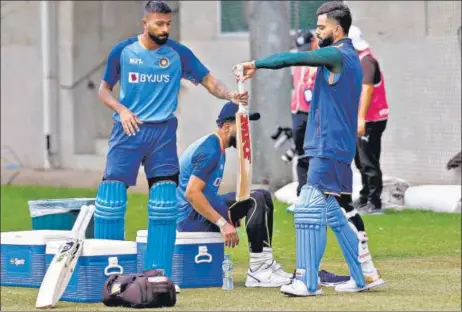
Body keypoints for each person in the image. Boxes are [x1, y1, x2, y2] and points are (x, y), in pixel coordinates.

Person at [233, 1, 384, 296]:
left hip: (327, 146)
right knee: (334, 213)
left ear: (336, 29)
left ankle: (307, 281)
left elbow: (292, 60)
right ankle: (364, 275)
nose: (317, 32)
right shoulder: (352, 57)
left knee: (307, 210)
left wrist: (256, 64)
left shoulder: (337, 53)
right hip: (337, 146)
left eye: (321, 27)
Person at [94, 0, 248, 282]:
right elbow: (104, 91)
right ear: (145, 23)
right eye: (159, 24)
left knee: (164, 204)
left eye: (168, 24)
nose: (165, 29)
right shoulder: (123, 51)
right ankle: (109, 276)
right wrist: (122, 109)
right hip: (128, 131)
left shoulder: (178, 54)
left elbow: (210, 82)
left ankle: (158, 277)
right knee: (111, 202)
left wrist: (231, 96)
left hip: (163, 134)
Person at [176, 102, 350, 288]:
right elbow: (192, 193)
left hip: (198, 211)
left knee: (263, 195)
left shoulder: (217, 146)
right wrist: (223, 223)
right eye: (241, 126)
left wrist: (230, 210)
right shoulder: (210, 150)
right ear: (227, 127)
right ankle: (258, 271)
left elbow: (205, 193)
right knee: (255, 199)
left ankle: (266, 264)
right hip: (190, 219)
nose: (246, 133)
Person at [348, 25, 389, 214]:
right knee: (360, 159)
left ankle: (374, 200)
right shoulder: (357, 60)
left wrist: (361, 119)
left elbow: (367, 89)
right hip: (363, 119)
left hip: (371, 119)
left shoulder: (367, 61)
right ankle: (365, 196)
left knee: (368, 160)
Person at [290, 30, 319, 199]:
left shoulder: (323, 60)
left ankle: (317, 192)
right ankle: (302, 193)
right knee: (301, 153)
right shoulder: (297, 60)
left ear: (315, 41)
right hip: (298, 111)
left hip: (315, 113)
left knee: (316, 153)